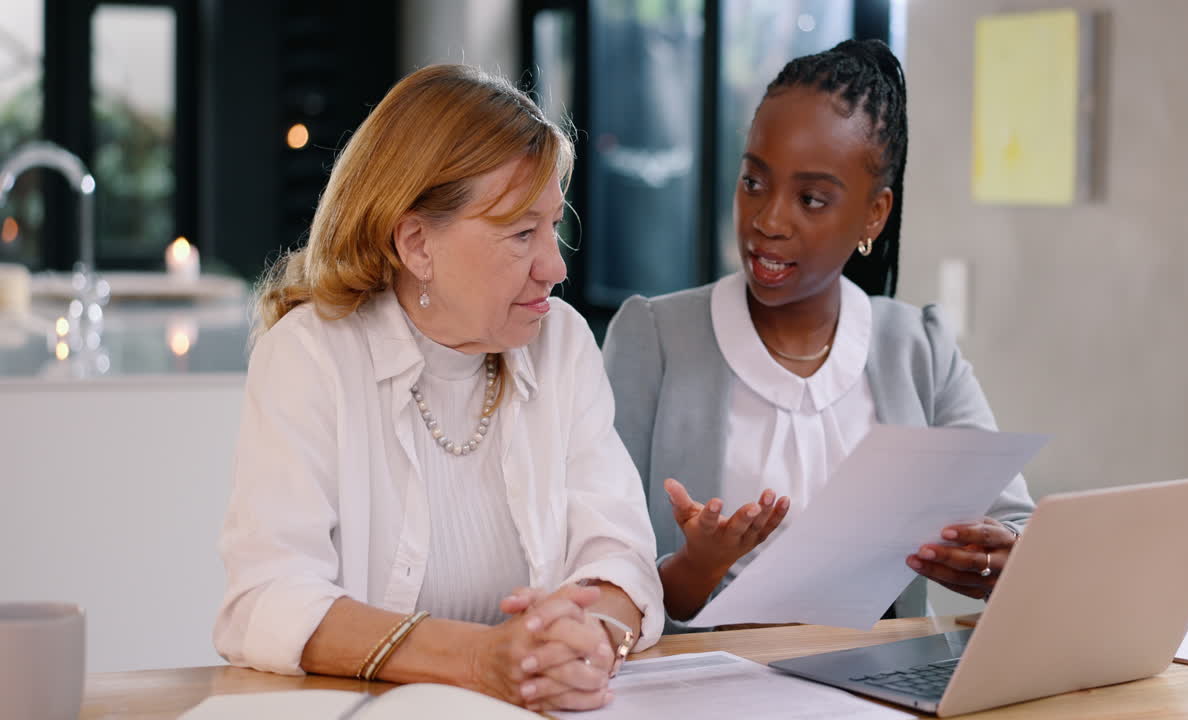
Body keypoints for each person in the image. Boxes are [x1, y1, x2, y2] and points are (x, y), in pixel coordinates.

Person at [214, 65, 662, 713]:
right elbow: (267, 598)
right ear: (418, 244)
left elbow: (620, 555)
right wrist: (480, 660)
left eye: (553, 226)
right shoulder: (311, 354)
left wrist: (584, 642)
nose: (555, 266)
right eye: (521, 233)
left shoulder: (561, 341)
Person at [602, 39, 1034, 626]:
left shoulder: (919, 348)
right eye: (754, 183)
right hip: (710, 674)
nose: (768, 220)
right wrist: (696, 568)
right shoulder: (654, 339)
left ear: (874, 214)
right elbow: (601, 570)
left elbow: (1017, 525)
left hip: (881, 677)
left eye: (810, 199)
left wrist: (997, 561)